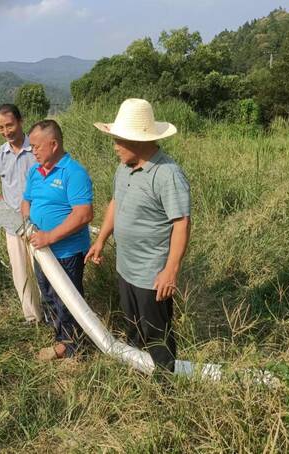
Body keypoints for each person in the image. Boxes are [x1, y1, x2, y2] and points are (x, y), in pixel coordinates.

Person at [85, 98, 191, 372]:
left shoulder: (167, 174)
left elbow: (181, 223)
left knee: (157, 333)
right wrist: (101, 240)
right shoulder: (124, 169)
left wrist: (170, 271)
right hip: (126, 268)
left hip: (151, 274)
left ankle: (165, 386)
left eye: (120, 140)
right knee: (132, 325)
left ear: (139, 141)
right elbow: (115, 203)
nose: (115, 147)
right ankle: (136, 370)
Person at [21, 119, 94, 360]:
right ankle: (62, 343)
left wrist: (50, 236)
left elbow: (83, 214)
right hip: (42, 251)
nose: (33, 152)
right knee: (49, 297)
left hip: (67, 253)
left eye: (36, 147)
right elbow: (26, 201)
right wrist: (27, 223)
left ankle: (76, 352)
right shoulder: (35, 172)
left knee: (69, 301)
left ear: (53, 145)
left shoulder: (74, 173)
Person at [0, 104, 42, 323]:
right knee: (21, 272)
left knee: (44, 272)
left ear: (21, 121)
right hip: (13, 225)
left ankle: (52, 315)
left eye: (9, 125)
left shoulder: (37, 148)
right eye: (0, 127)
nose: (6, 131)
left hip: (41, 224)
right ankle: (33, 319)